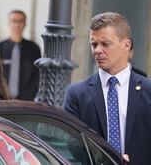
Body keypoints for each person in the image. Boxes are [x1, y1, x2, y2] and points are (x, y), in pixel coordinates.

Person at [63, 12, 151, 165]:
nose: (97, 50)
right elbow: (70, 141)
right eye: (94, 44)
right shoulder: (77, 94)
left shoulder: (148, 91)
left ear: (126, 45)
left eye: (105, 44)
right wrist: (104, 157)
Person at [0, 10, 41, 100]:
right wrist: (1, 94)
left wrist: (24, 97)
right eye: (14, 21)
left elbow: (37, 76)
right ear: (9, 23)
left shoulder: (34, 48)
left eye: (20, 21)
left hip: (25, 101)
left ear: (25, 24)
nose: (17, 25)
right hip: (0, 98)